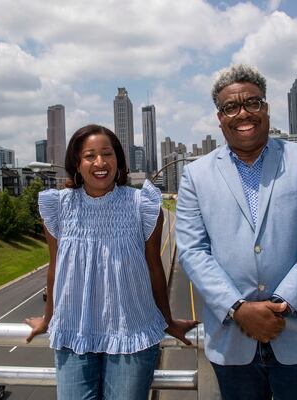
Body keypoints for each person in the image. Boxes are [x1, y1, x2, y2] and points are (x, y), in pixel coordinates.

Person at [175, 64, 297, 400]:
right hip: (232, 344)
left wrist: (280, 305)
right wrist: (239, 309)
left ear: (265, 108)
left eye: (252, 103)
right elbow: (193, 251)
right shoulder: (196, 175)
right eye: (231, 107)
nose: (243, 114)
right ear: (219, 117)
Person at [26, 124, 197, 400]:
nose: (100, 162)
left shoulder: (142, 204)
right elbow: (56, 268)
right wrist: (47, 319)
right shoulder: (58, 206)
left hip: (131, 332)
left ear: (118, 160)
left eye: (107, 153)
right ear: (77, 164)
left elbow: (154, 267)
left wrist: (168, 320)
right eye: (89, 156)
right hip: (74, 332)